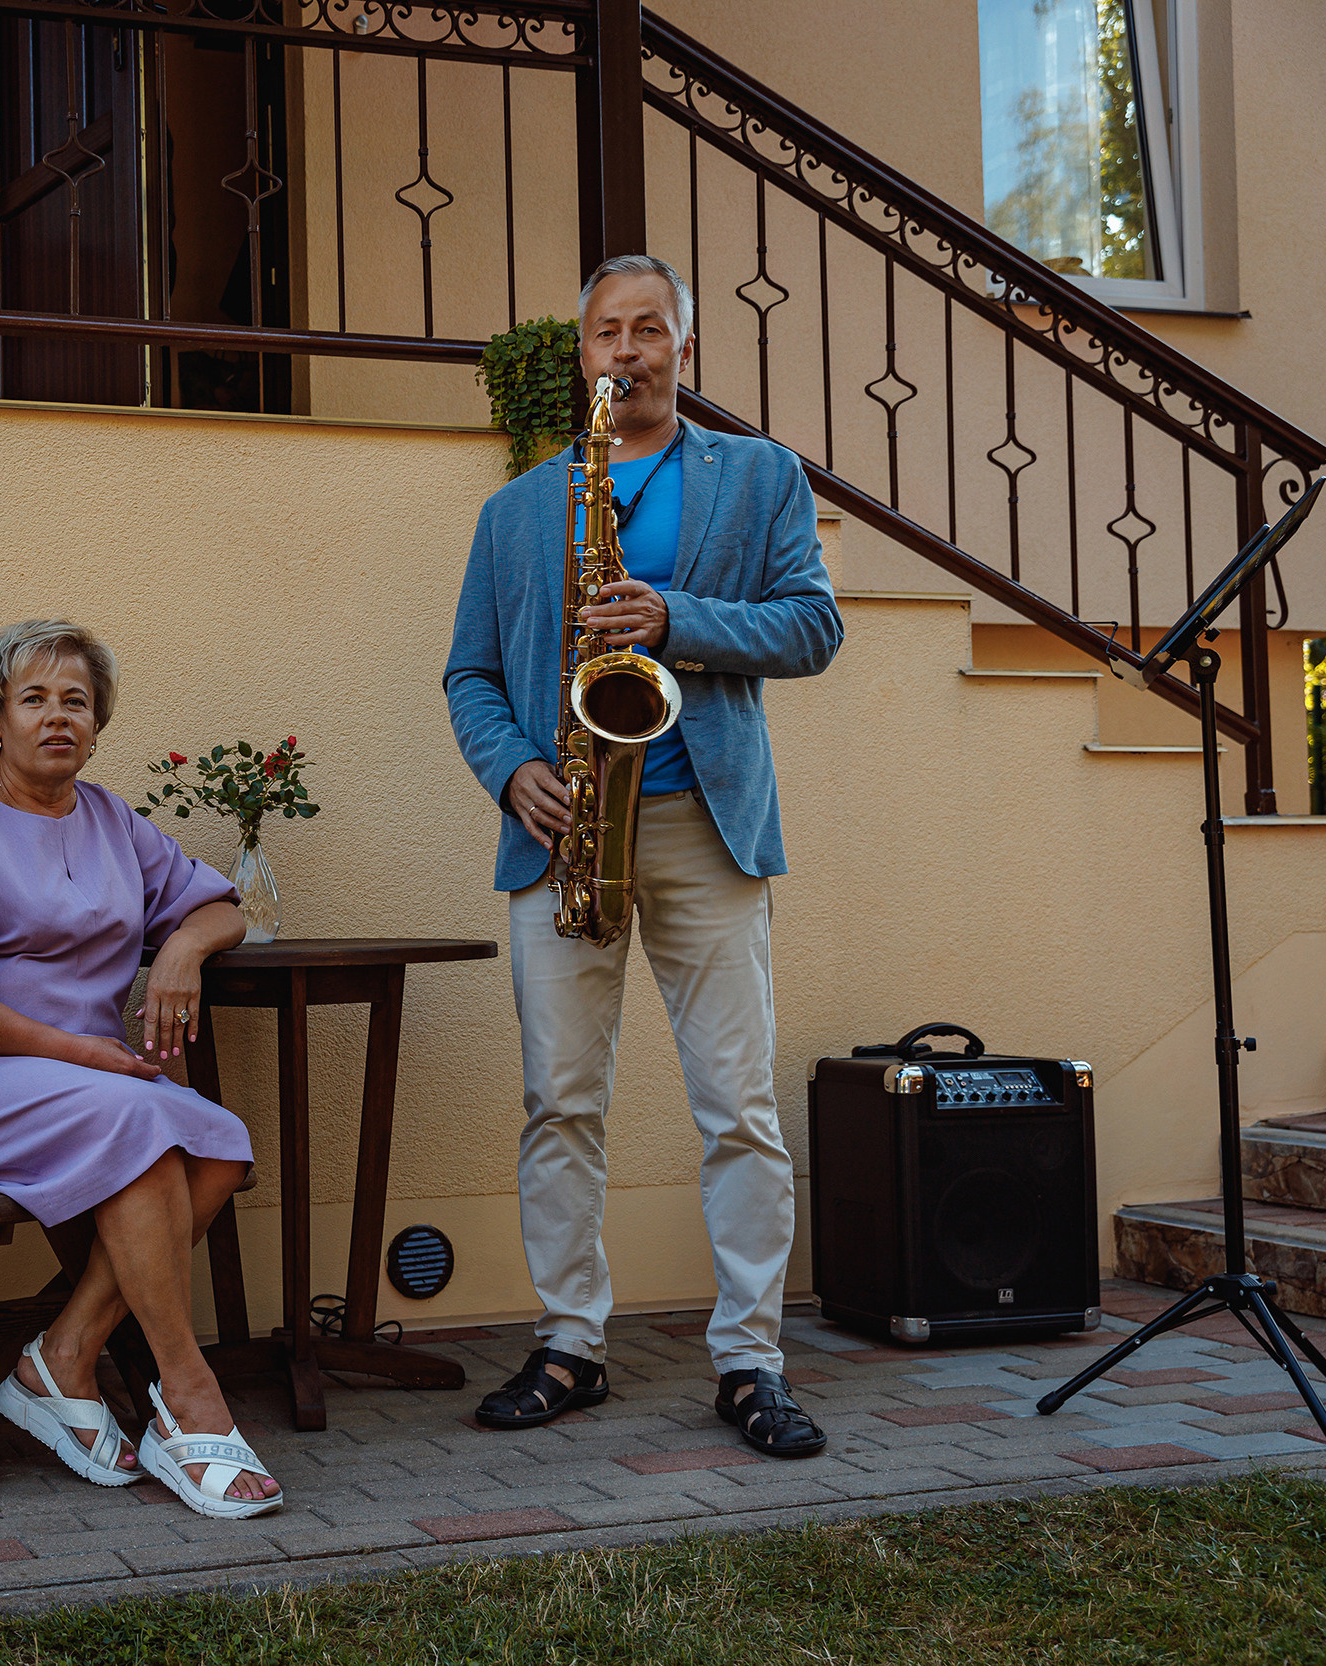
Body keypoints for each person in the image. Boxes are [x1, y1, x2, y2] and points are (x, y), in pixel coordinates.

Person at [444, 255, 843, 1457]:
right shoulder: (520, 508)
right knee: (558, 1102)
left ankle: (750, 1360)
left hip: (705, 827)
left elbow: (813, 624)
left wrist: (675, 617)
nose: (629, 349)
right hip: (561, 826)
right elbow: (466, 671)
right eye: (607, 332)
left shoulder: (759, 475)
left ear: (685, 347)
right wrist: (511, 766)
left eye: (650, 329)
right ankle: (570, 1343)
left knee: (736, 1107)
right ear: (582, 356)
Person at [0, 620, 281, 1518]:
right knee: (134, 1121)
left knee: (218, 1139)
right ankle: (188, 1390)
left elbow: (221, 908)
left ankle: (66, 1353)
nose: (58, 718)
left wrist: (177, 957)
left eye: (76, 702)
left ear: (97, 723)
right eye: (35, 699)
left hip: (85, 1089)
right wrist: (83, 1051)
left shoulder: (112, 819)